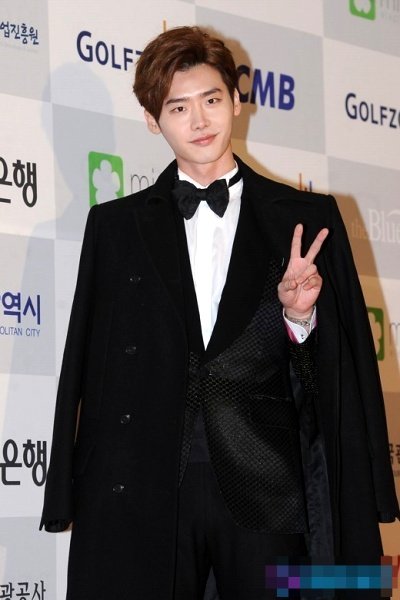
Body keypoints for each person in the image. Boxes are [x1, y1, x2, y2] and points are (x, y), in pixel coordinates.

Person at [41, 26, 399, 600]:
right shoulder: (114, 226)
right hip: (150, 489)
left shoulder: (305, 217)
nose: (199, 120)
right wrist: (65, 491)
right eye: (178, 107)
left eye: (211, 99)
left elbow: (340, 376)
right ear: (153, 120)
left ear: (236, 99)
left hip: (270, 492)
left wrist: (299, 319)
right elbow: (83, 366)